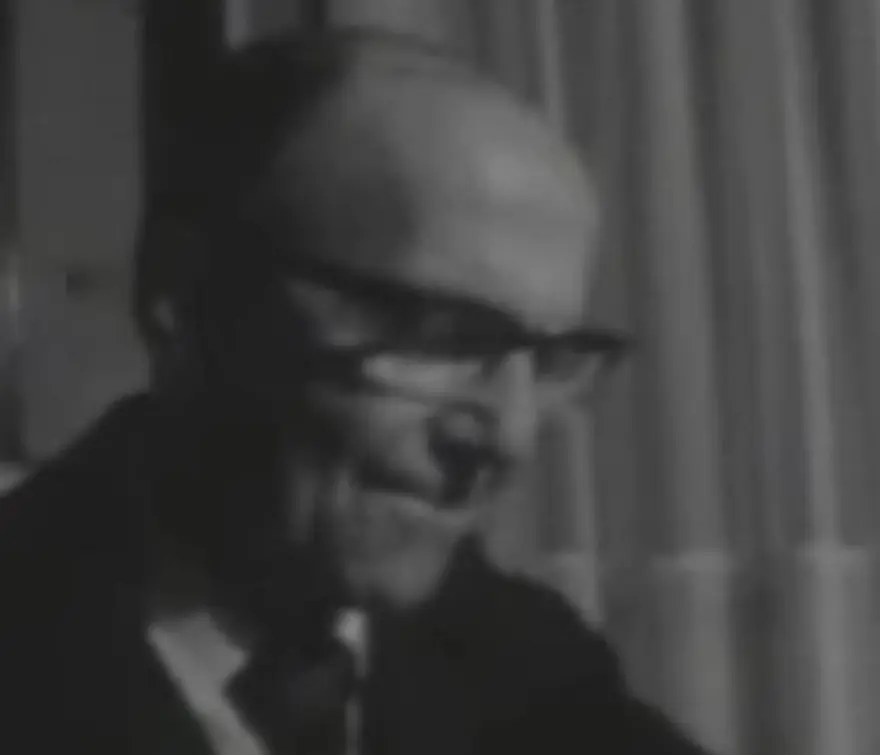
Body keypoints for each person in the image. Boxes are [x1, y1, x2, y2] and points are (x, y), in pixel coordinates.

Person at [0, 29, 712, 755]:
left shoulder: (527, 668)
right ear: (184, 298)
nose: (510, 436)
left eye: (550, 361)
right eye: (441, 336)